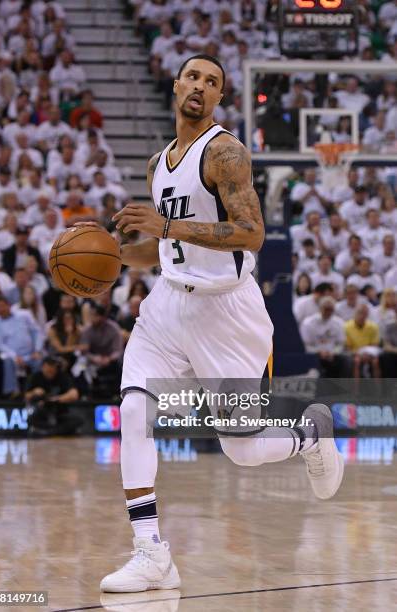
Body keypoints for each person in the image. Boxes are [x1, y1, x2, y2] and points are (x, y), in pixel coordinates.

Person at [76, 56, 343, 593]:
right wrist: (114, 262)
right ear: (176, 86)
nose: (200, 86)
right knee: (132, 409)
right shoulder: (158, 164)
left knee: (241, 450)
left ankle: (311, 434)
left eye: (212, 82)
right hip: (168, 305)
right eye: (192, 77)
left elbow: (250, 234)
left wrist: (167, 225)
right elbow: (166, 247)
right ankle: (151, 554)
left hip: (228, 314)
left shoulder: (226, 153)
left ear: (219, 96)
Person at [26, 356, 80, 436]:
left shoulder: (62, 377)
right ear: (43, 367)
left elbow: (74, 394)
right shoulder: (35, 377)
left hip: (59, 413)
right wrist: (34, 392)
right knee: (30, 420)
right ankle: (54, 431)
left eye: (53, 369)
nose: (51, 371)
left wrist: (56, 399)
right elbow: (26, 396)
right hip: (42, 413)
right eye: (48, 369)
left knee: (78, 420)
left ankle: (48, 432)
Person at [301, 296, 347, 377]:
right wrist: (318, 352)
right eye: (326, 309)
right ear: (320, 308)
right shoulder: (308, 323)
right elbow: (306, 345)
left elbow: (341, 344)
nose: (328, 312)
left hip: (332, 354)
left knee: (345, 360)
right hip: (314, 354)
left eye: (331, 309)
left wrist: (333, 352)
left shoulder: (339, 323)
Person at [345, 304, 381, 379]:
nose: (362, 316)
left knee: (376, 362)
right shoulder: (347, 327)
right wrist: (358, 354)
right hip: (354, 353)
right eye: (360, 313)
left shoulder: (373, 327)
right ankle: (356, 389)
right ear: (355, 313)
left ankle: (378, 389)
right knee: (357, 361)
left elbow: (375, 345)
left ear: (367, 315)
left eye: (364, 314)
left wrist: (368, 354)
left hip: (370, 354)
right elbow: (348, 347)